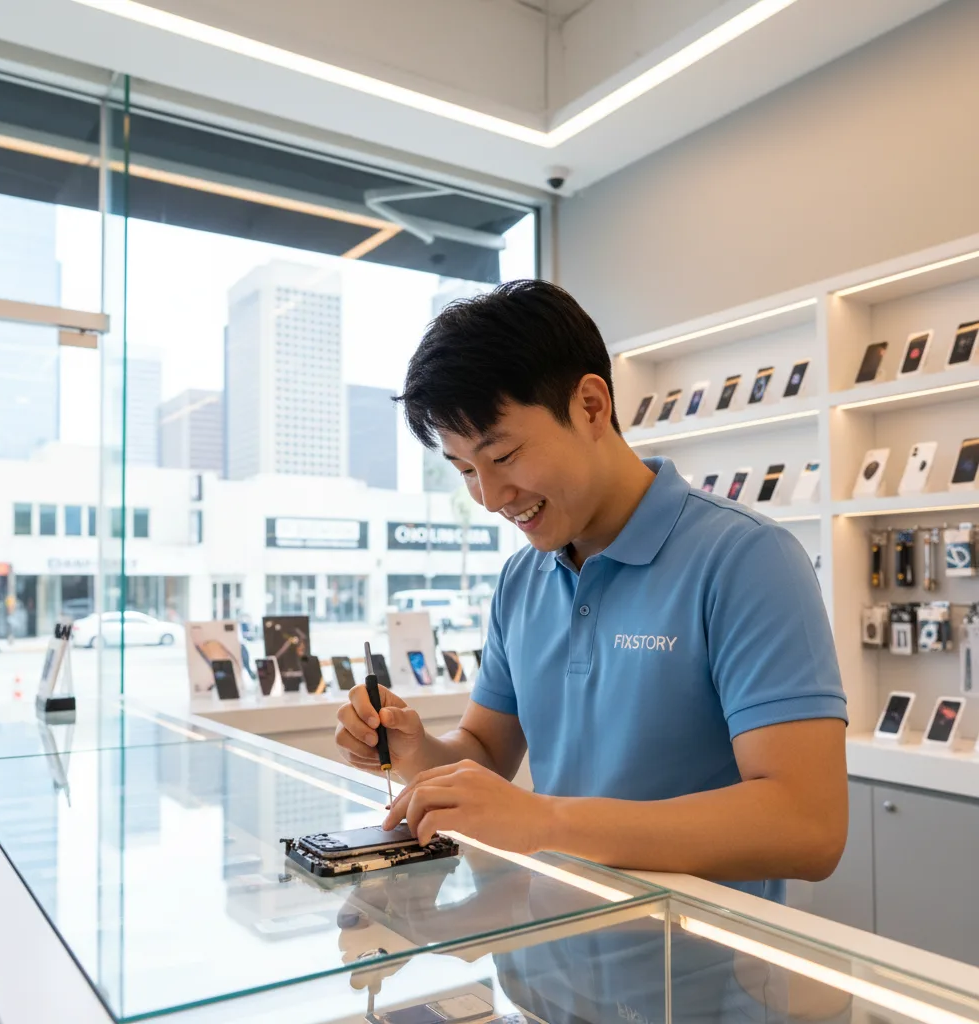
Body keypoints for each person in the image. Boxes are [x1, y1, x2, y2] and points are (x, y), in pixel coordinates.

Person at [335, 280, 848, 901]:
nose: (491, 499)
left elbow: (808, 826)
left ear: (591, 406)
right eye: (466, 470)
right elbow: (484, 752)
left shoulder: (746, 559)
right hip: (544, 967)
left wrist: (547, 821)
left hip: (692, 977)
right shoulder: (521, 579)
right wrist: (416, 750)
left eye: (503, 456)